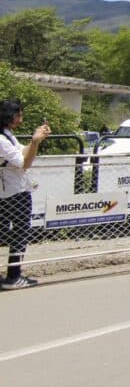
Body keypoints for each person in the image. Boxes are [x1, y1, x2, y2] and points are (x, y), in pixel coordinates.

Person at [0, 99, 51, 290]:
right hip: (14, 192)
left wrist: (35, 140)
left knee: (8, 232)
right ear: (10, 116)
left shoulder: (6, 135)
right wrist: (36, 141)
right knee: (19, 233)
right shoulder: (1, 140)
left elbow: (22, 152)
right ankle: (13, 276)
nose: (21, 119)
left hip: (10, 190)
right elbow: (24, 163)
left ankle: (13, 274)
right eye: (19, 115)